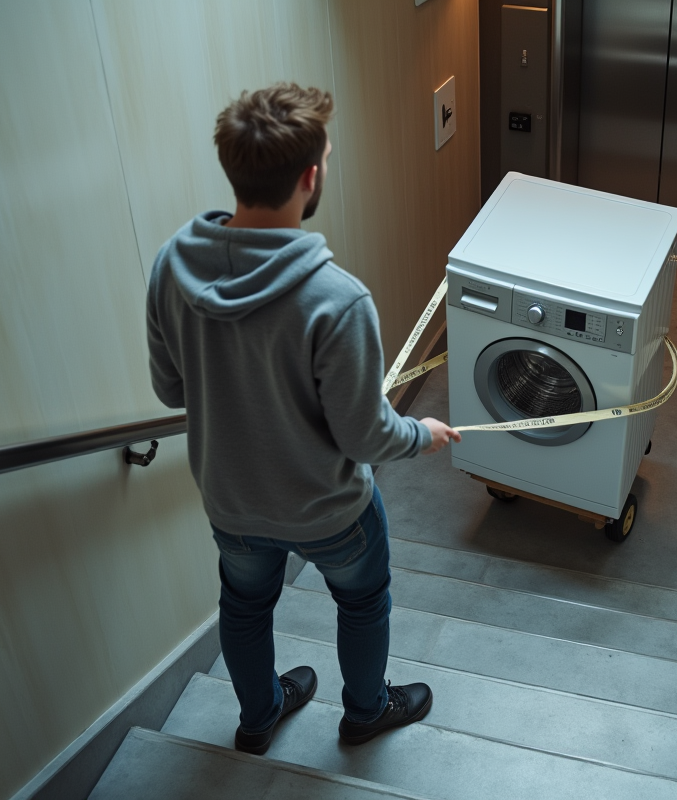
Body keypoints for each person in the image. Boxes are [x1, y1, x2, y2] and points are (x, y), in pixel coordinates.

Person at [145, 82, 461, 754]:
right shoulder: (338, 300)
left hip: (232, 503)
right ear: (310, 177)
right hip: (330, 512)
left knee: (244, 607)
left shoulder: (172, 267)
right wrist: (421, 434)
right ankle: (366, 712)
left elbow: (171, 389)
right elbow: (363, 435)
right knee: (362, 601)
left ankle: (258, 716)